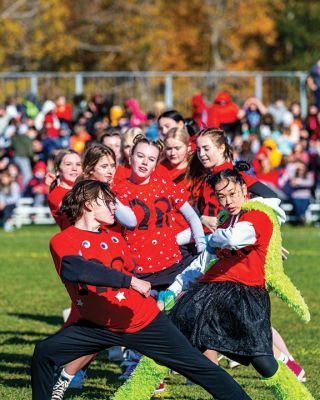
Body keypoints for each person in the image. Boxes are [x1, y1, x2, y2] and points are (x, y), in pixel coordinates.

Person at [31, 179, 251, 400]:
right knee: (44, 353)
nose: (114, 206)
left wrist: (149, 289)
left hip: (141, 321)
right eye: (108, 202)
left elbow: (134, 272)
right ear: (88, 204)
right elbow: (75, 269)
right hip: (97, 325)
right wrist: (129, 281)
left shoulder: (115, 238)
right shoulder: (63, 240)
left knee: (200, 367)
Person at [167, 169, 313, 400]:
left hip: (247, 297)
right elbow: (204, 260)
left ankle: (297, 392)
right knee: (176, 331)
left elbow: (233, 239)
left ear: (245, 190)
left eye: (233, 194)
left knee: (262, 360)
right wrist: (174, 288)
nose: (228, 201)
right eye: (221, 196)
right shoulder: (227, 218)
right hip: (215, 291)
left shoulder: (258, 215)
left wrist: (214, 237)